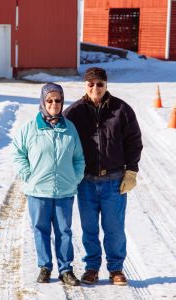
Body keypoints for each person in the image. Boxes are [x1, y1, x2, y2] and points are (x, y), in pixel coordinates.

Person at [63, 67, 143, 286]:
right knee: (89, 228)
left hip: (113, 180)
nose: (95, 88)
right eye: (91, 84)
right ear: (85, 85)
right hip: (86, 181)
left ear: (106, 85)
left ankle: (116, 269)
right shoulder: (74, 112)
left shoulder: (122, 109)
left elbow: (134, 141)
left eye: (100, 84)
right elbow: (63, 143)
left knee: (114, 228)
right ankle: (91, 268)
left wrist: (132, 170)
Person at [12, 82, 85, 286]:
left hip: (64, 190)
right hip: (37, 191)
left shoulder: (69, 128)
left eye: (58, 100)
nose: (54, 103)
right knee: (40, 229)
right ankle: (45, 267)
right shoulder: (30, 127)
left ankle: (66, 269)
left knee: (64, 231)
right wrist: (28, 174)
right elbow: (18, 154)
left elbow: (79, 157)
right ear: (43, 101)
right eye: (50, 100)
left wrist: (75, 177)